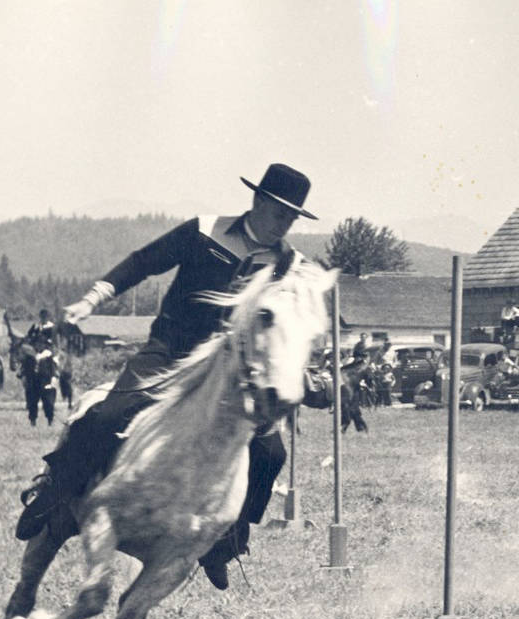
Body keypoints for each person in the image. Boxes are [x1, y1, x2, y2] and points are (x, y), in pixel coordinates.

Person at [16, 163, 318, 590]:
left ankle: (228, 538)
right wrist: (93, 298)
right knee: (106, 416)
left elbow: (290, 325)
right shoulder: (204, 231)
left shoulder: (289, 266)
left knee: (271, 455)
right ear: (257, 201)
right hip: (167, 351)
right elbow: (144, 261)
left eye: (292, 216)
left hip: (229, 374)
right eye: (279, 212)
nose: (284, 223)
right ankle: (55, 494)